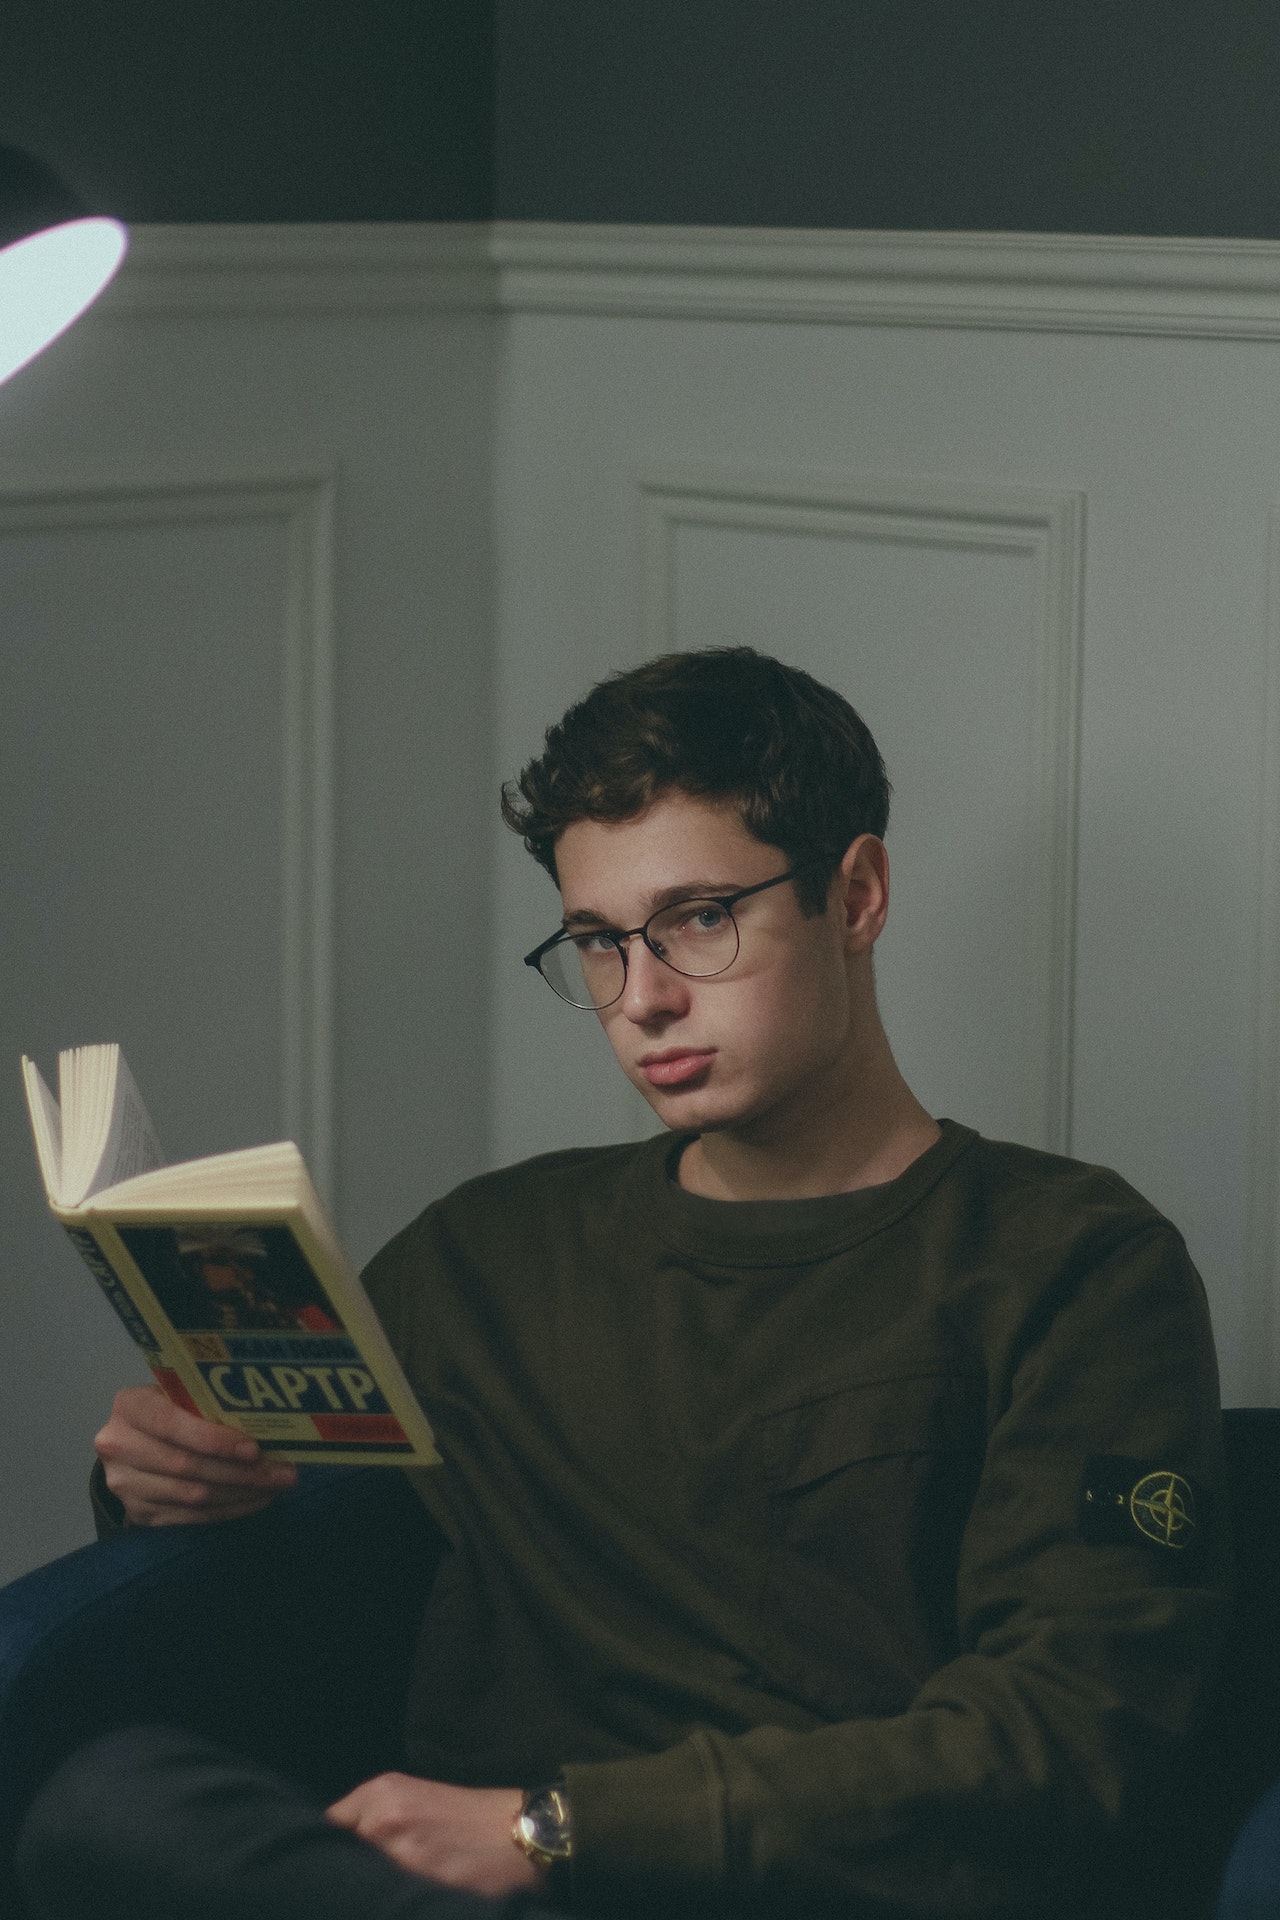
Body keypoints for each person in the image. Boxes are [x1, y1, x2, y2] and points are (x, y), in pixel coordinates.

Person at [22, 648, 1228, 1920]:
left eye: (699, 919)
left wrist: (558, 1832)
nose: (641, 1000)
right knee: (110, 1800)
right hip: (451, 1892)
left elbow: (1066, 1734)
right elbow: (294, 1577)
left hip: (795, 1887)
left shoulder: (1072, 1263)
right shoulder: (486, 1251)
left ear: (857, 893)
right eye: (597, 942)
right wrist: (161, 1480)